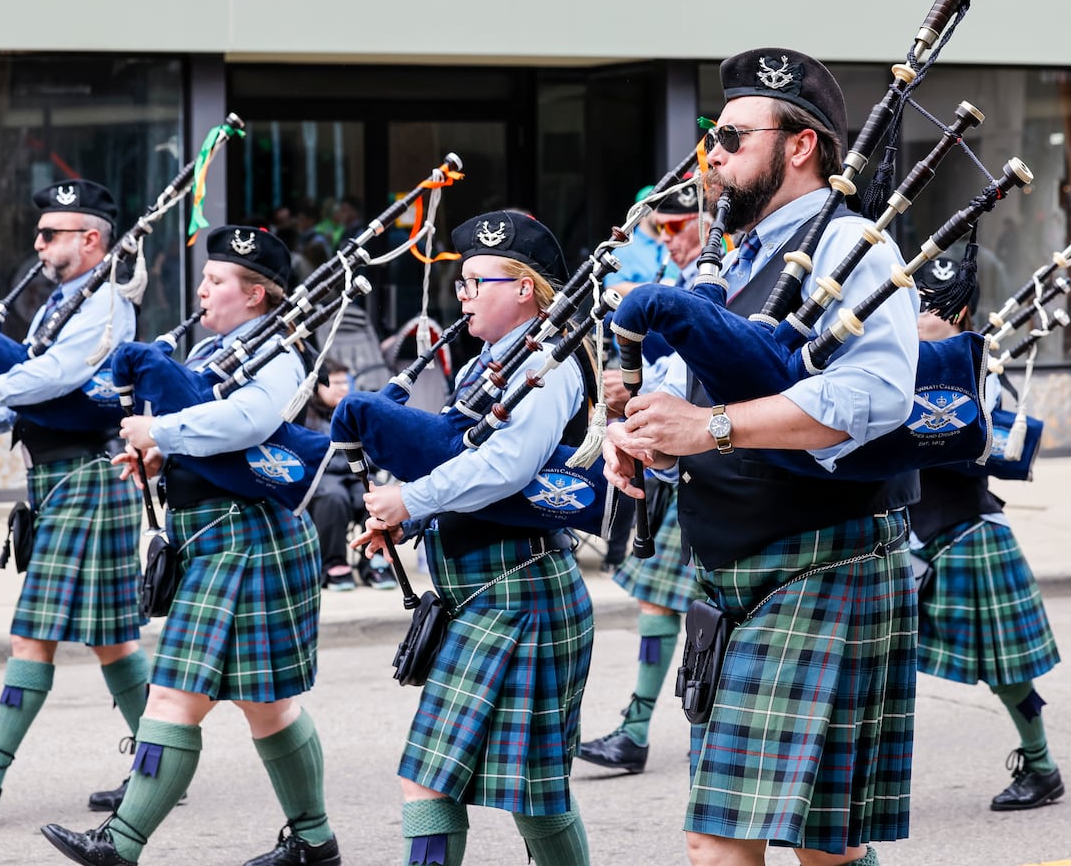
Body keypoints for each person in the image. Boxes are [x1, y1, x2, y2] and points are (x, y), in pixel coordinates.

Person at [604, 47, 919, 866]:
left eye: (733, 137)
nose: (712, 153)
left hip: (821, 567)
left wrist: (711, 430)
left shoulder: (856, 246)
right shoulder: (733, 263)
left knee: (740, 843)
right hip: (737, 571)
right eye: (713, 135)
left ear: (801, 144)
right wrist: (640, 435)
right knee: (815, 845)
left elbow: (878, 396)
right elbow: (680, 390)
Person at [40, 225, 341, 866]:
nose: (202, 288)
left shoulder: (278, 352)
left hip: (248, 537)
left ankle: (118, 845)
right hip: (215, 538)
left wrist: (162, 429)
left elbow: (248, 423)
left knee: (178, 694)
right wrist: (158, 458)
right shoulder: (215, 351)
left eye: (217, 280)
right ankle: (314, 845)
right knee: (268, 705)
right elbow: (209, 438)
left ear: (256, 295)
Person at [0, 179, 149, 821]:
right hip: (65, 477)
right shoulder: (58, 304)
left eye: (50, 233)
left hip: (89, 477)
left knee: (33, 632)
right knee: (113, 640)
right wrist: (0, 419)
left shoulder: (108, 306)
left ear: (91, 239)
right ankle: (158, 766)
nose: (37, 244)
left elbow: (66, 376)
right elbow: (47, 393)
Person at [354, 210, 595, 866]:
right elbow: (458, 459)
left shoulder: (547, 365)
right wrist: (413, 518)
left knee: (528, 794)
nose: (461, 297)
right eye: (459, 286)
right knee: (456, 782)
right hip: (483, 595)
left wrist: (411, 496)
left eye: (475, 283)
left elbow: (505, 467)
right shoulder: (484, 367)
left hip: (524, 594)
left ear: (523, 289)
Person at [909, 258, 1065, 812]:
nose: (918, 315)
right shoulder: (890, 355)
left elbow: (991, 446)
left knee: (1007, 668)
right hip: (901, 539)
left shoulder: (979, 370)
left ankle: (1042, 766)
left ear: (960, 313)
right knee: (872, 663)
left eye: (931, 307)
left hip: (965, 532)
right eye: (914, 303)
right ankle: (859, 778)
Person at [579, 193, 708, 775]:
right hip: (679, 467)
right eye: (662, 229)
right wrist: (625, 394)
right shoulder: (671, 281)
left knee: (716, 606)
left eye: (679, 227)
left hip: (723, 461)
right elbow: (668, 376)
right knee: (660, 601)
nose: (670, 238)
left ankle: (701, 725)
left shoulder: (729, 281)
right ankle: (637, 730)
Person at [303, 358, 383, 591]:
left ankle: (375, 559)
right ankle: (333, 563)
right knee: (333, 497)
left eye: (345, 382)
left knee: (376, 494)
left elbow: (374, 451)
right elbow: (312, 457)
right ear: (317, 386)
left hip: (356, 474)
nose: (343, 388)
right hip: (322, 478)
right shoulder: (305, 415)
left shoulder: (354, 410)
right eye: (335, 383)